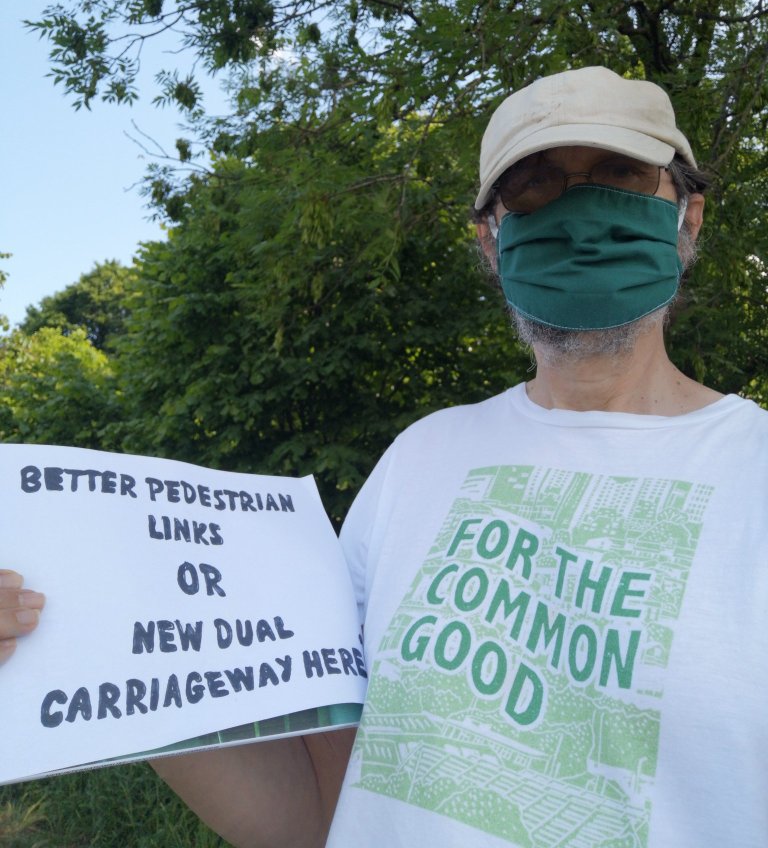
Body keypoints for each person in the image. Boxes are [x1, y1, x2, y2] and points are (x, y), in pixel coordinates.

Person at [2, 65, 766, 848]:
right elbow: (324, 814)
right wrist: (81, 632)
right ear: (490, 239)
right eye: (534, 184)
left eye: (618, 174)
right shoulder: (422, 457)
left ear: (689, 217)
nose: (578, 209)